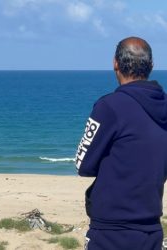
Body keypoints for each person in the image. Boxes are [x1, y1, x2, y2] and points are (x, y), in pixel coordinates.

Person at [75, 37, 167, 250]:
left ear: (115, 63)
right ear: (151, 66)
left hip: (111, 230)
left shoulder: (109, 106)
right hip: (151, 226)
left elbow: (83, 165)